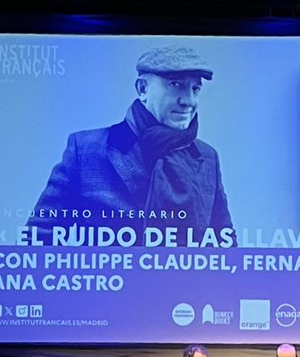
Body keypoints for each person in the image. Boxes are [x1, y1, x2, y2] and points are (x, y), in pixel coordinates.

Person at [30, 44, 235, 243]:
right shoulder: (86, 150)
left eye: (195, 89)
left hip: (185, 278)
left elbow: (225, 247)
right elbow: (38, 238)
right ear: (142, 88)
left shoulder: (207, 158)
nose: (188, 101)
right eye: (176, 85)